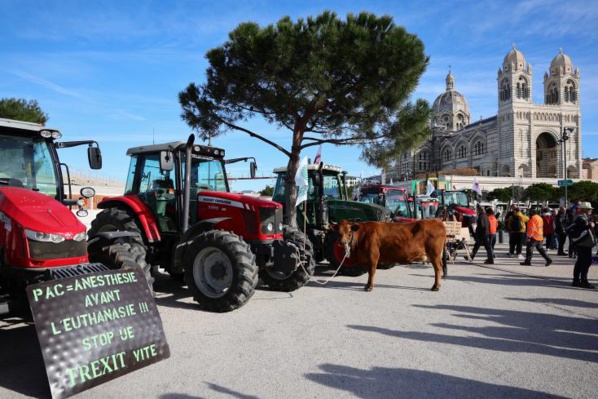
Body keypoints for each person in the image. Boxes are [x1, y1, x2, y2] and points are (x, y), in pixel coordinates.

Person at [570, 202, 596, 288]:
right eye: (589, 209)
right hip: (583, 243)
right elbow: (583, 226)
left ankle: (576, 280)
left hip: (581, 243)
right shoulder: (581, 218)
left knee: (580, 262)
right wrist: (590, 224)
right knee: (586, 262)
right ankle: (583, 281)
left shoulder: (580, 217)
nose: (591, 211)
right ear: (585, 210)